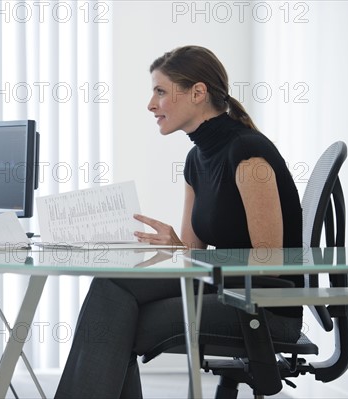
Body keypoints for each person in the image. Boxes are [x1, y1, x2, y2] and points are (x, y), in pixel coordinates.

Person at [54, 45, 304, 398]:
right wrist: (176, 245)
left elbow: (268, 264)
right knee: (111, 284)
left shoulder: (248, 154)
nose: (150, 104)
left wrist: (187, 254)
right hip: (226, 289)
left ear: (198, 93)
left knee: (116, 322)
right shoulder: (195, 160)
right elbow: (193, 257)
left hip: (262, 307)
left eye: (160, 91)